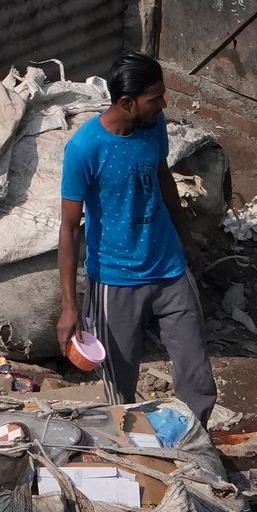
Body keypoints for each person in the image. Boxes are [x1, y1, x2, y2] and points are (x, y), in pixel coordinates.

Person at [57, 52, 215, 412]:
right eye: (155, 97)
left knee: (197, 379)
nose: (163, 104)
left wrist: (185, 238)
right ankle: (132, 457)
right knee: (119, 390)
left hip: (170, 270)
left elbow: (162, 177)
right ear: (127, 102)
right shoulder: (84, 149)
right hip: (115, 281)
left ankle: (193, 454)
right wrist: (70, 307)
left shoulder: (154, 126)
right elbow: (68, 229)